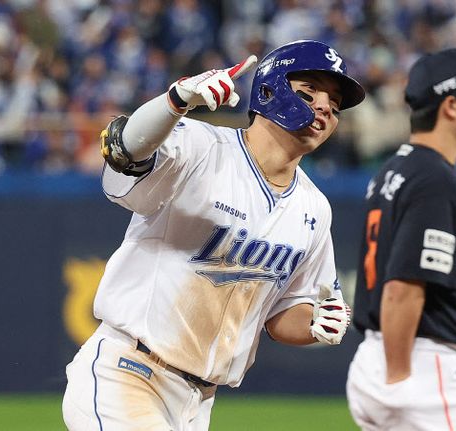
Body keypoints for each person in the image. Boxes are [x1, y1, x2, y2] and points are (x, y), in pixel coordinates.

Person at [62, 39, 364, 431]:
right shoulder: (202, 146)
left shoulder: (314, 208)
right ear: (268, 91)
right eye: (309, 93)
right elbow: (124, 150)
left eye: (335, 105)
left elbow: (283, 314)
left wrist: (315, 323)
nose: (324, 107)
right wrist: (174, 102)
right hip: (128, 371)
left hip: (198, 402)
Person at [346, 48, 456, 431]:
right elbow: (403, 288)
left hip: (384, 355)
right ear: (451, 105)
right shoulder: (433, 179)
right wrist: (399, 379)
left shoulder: (395, 169)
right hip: (422, 365)